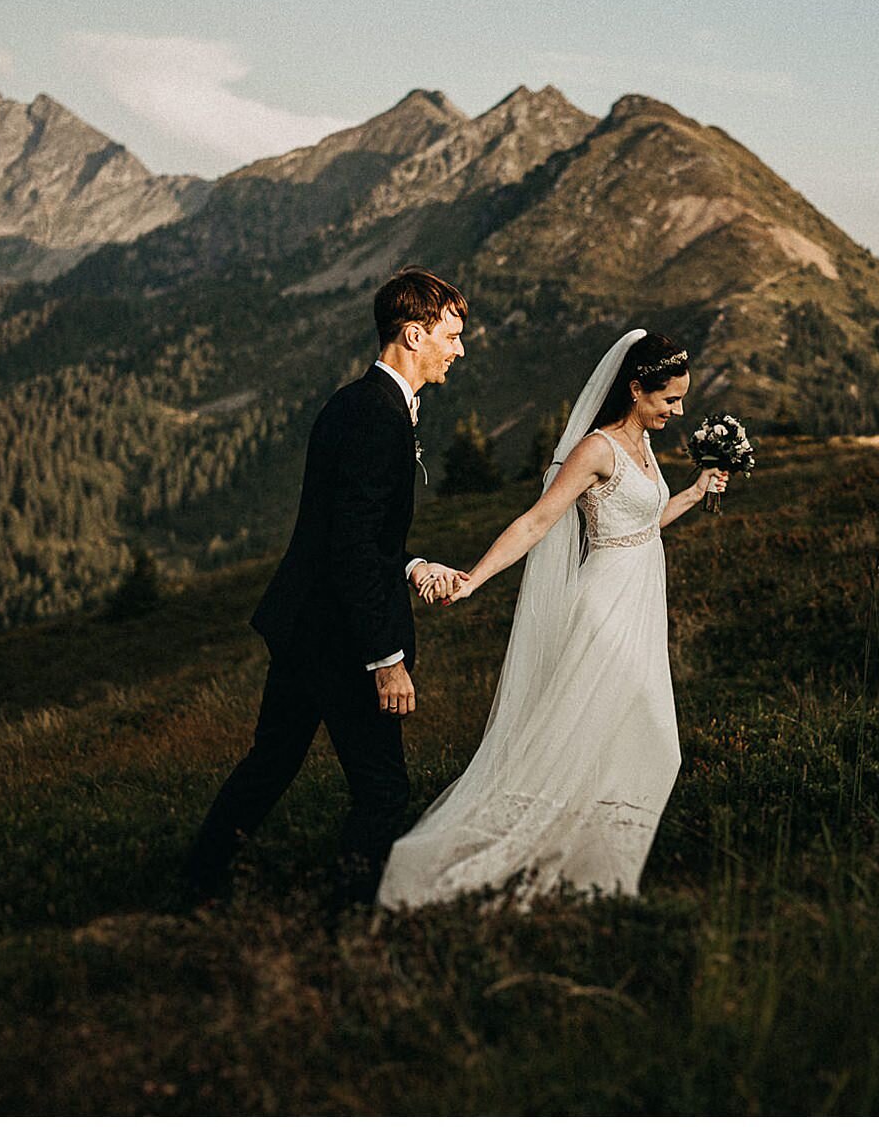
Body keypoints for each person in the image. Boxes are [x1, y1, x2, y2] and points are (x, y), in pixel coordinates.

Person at [376, 329, 727, 909]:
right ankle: (512, 871)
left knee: (625, 745)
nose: (679, 411)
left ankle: (598, 881)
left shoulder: (642, 445)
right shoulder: (596, 449)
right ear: (636, 389)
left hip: (640, 606)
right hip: (606, 609)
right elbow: (537, 522)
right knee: (637, 742)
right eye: (669, 400)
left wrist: (692, 494)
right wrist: (473, 580)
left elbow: (638, 527)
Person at [185, 267, 469, 914]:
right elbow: (348, 546)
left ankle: (199, 884)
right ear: (413, 333)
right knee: (382, 790)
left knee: (271, 763)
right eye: (451, 336)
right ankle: (346, 923)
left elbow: (351, 532)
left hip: (303, 628)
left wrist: (411, 564)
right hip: (344, 641)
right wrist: (387, 659)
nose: (459, 350)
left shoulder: (355, 402)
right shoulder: (379, 417)